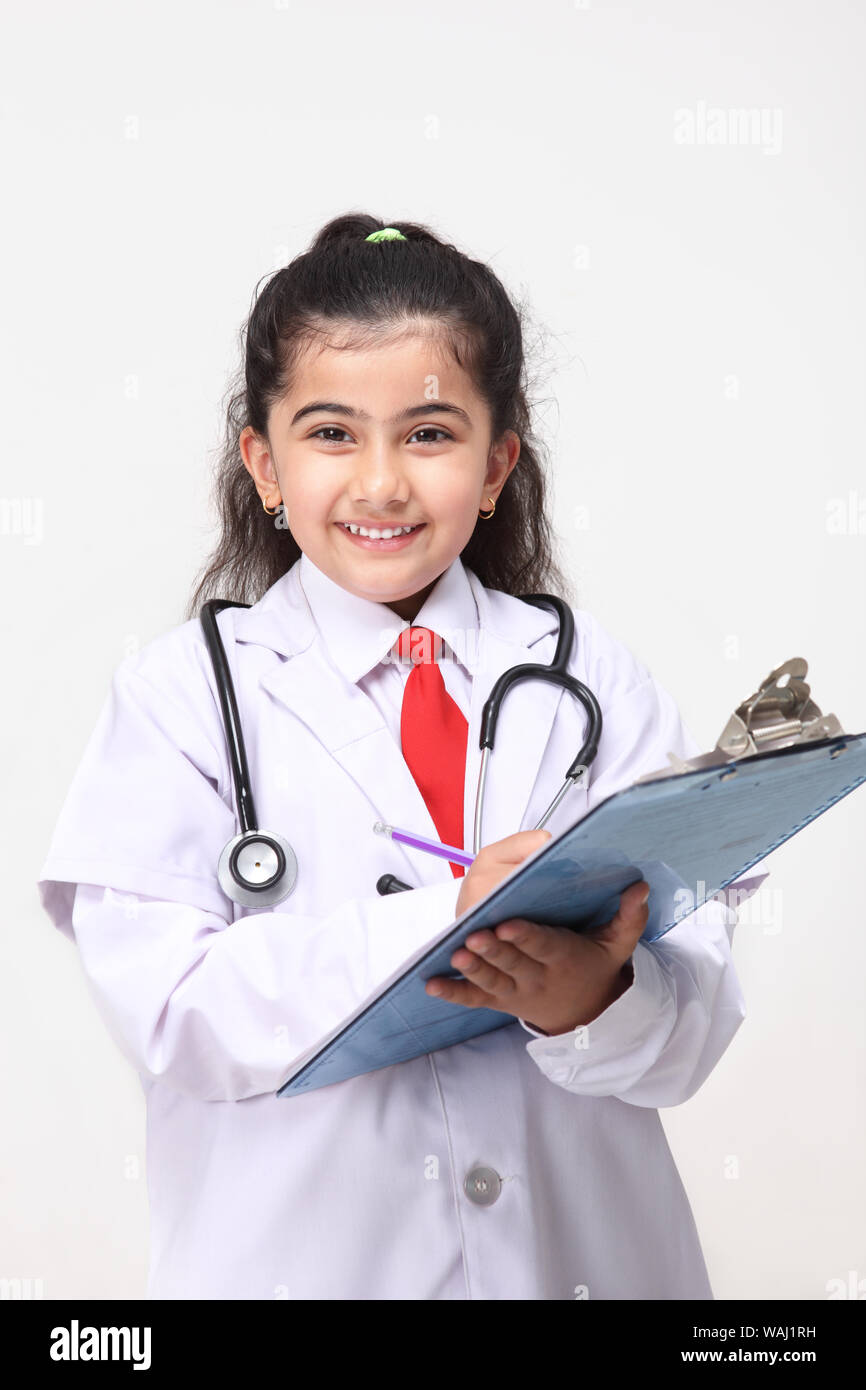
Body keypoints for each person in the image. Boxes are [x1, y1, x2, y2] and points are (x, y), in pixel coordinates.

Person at [38, 213, 758, 1301]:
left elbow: (692, 1018)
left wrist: (595, 999)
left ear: (494, 462)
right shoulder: (182, 699)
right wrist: (454, 918)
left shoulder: (591, 682)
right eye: (331, 434)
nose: (380, 483)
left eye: (428, 434)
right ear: (263, 462)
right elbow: (177, 1012)